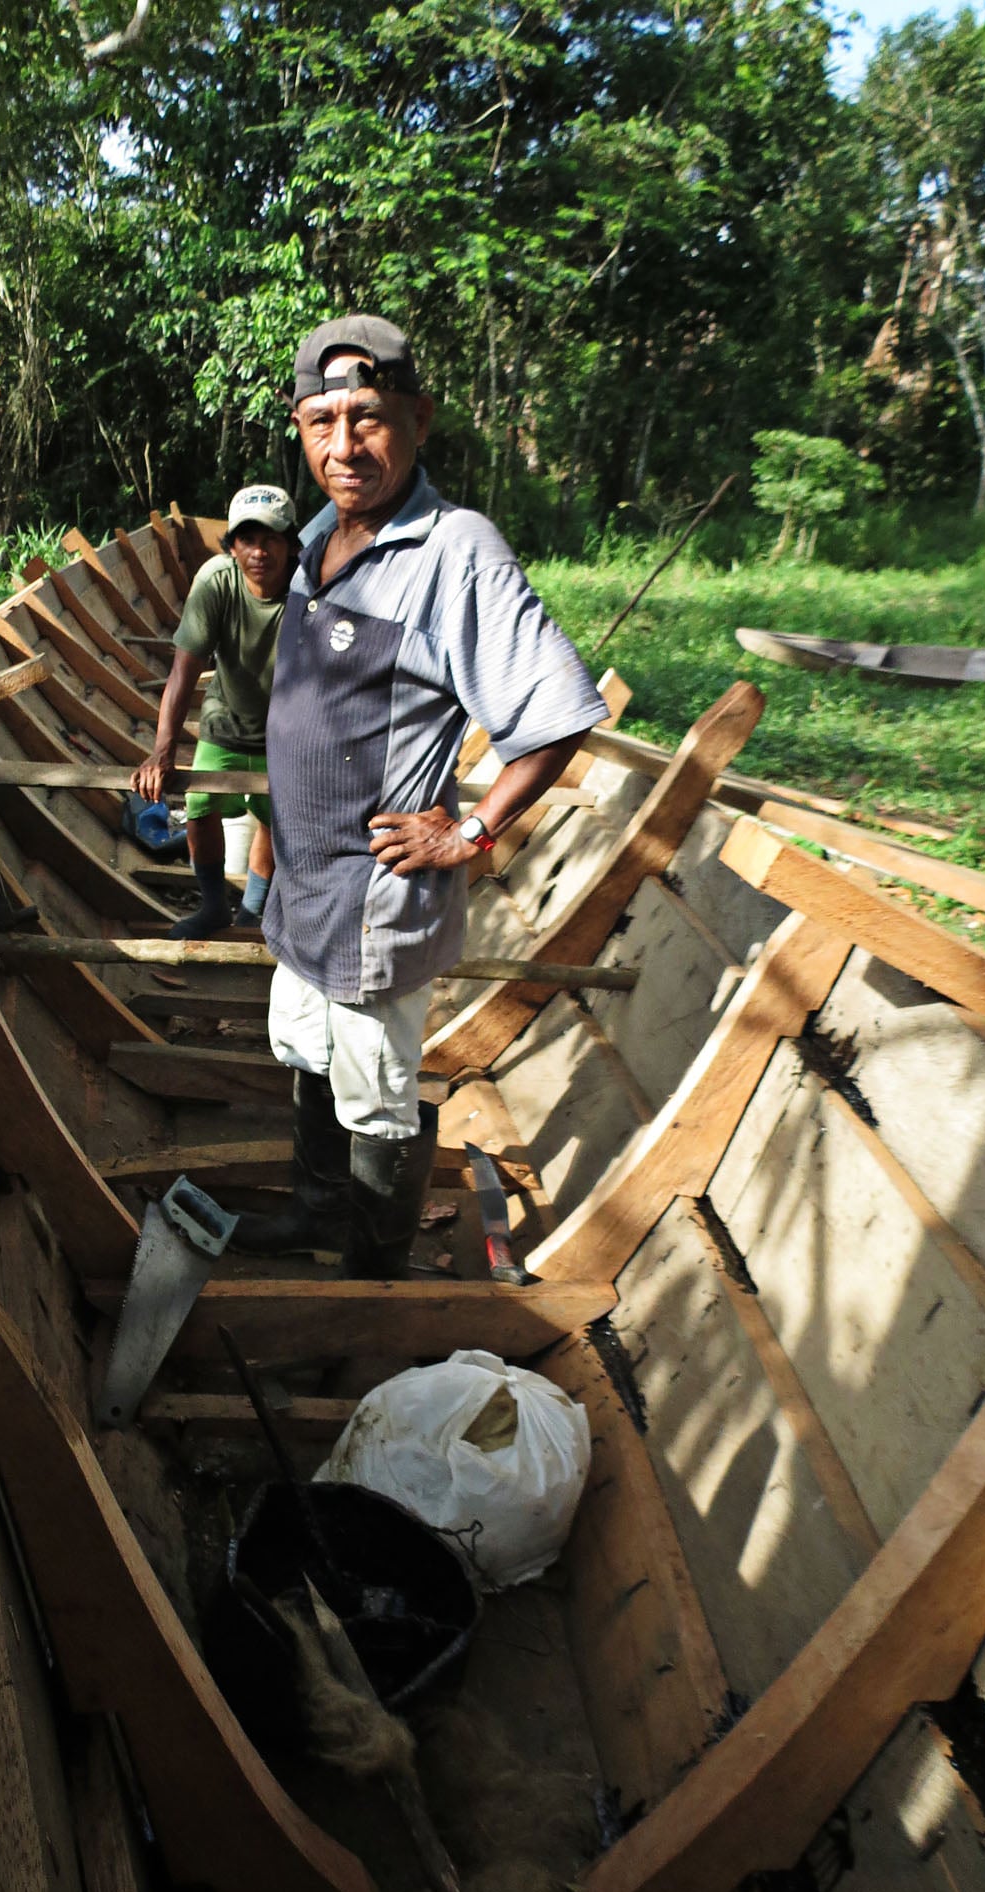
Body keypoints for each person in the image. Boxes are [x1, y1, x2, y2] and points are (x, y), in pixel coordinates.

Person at [235, 314, 611, 1278]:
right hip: (307, 885)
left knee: (375, 1089)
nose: (343, 445)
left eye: (368, 417)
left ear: (419, 418)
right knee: (310, 1057)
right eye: (321, 420)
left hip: (375, 895)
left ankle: (371, 1276)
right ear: (299, 424)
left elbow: (560, 712)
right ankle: (318, 1216)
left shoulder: (456, 552)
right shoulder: (317, 533)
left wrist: (473, 829)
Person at [133, 483, 300, 937]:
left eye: (271, 539)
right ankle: (212, 907)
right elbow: (182, 673)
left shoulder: (308, 589)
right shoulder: (216, 581)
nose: (259, 551)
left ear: (291, 544)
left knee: (274, 816)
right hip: (224, 720)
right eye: (247, 539)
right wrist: (162, 751)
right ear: (232, 546)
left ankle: (252, 909)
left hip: (285, 731)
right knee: (199, 805)